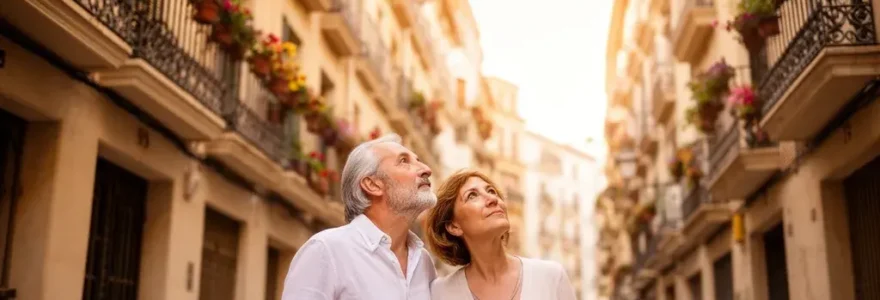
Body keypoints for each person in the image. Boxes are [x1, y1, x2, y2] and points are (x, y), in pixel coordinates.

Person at [281, 134, 438, 300]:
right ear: (372, 185)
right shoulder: (325, 250)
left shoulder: (423, 261)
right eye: (404, 161)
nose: (427, 169)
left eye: (418, 160)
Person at [425, 170, 577, 300]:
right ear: (453, 226)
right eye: (472, 196)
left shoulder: (551, 277)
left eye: (491, 191)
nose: (492, 199)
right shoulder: (441, 293)